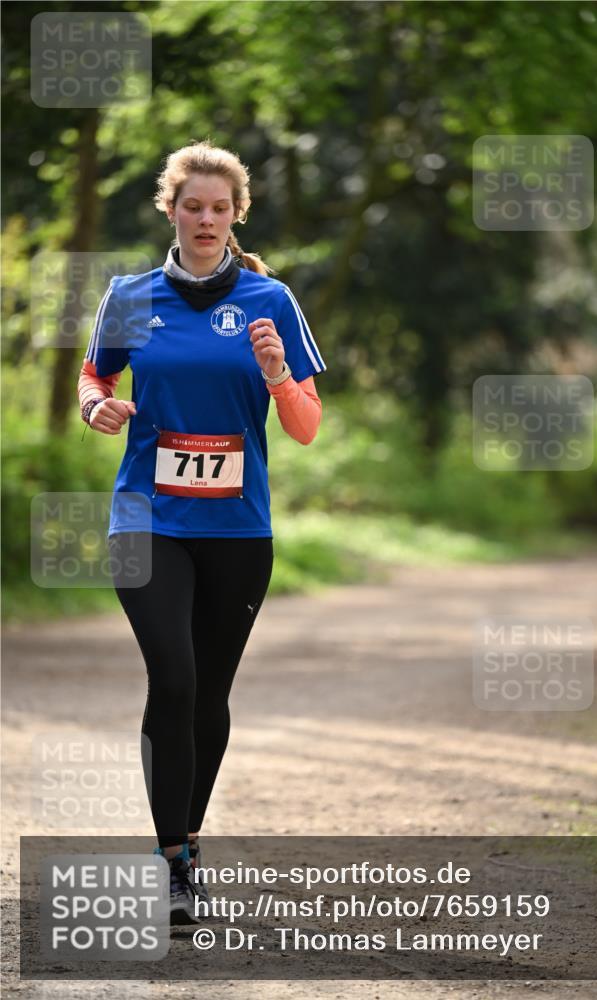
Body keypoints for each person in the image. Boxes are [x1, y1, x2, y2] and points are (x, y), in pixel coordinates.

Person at [77, 140, 327, 922]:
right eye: (193, 206)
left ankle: (187, 839)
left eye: (220, 208)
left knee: (209, 692)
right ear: (171, 211)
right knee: (175, 678)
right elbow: (95, 373)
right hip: (146, 517)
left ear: (236, 214)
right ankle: (171, 865)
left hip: (237, 528)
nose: (206, 219)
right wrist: (95, 405)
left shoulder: (270, 300)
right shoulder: (130, 296)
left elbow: (306, 427)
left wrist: (277, 375)